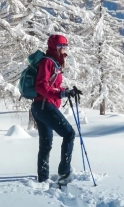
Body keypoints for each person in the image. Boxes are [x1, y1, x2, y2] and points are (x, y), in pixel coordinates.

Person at [31, 34, 83, 184]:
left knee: (46, 143)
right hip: (44, 106)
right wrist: (61, 93)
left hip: (41, 107)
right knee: (69, 134)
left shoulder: (55, 64)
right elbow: (41, 86)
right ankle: (64, 172)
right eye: (60, 47)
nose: (63, 50)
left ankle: (43, 178)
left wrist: (66, 91)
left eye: (65, 47)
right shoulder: (47, 62)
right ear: (54, 47)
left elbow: (50, 86)